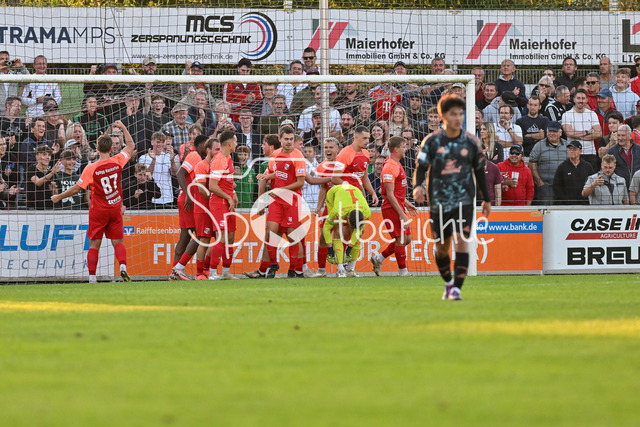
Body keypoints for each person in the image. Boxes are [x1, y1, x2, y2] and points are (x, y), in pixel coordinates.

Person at [413, 94, 491, 301]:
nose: (458, 118)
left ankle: (457, 288)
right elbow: (421, 167)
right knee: (442, 247)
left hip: (464, 200)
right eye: (453, 114)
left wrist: (486, 198)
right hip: (439, 201)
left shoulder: (472, 142)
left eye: (460, 114)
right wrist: (418, 186)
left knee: (462, 241)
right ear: (443, 116)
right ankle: (448, 282)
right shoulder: (431, 141)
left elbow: (479, 172)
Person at [50, 121, 136, 283]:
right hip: (115, 208)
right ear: (110, 149)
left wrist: (58, 196)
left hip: (98, 210)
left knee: (94, 244)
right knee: (118, 242)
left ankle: (92, 278)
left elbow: (77, 189)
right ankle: (123, 267)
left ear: (97, 148)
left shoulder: (91, 168)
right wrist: (124, 128)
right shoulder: (118, 160)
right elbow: (131, 146)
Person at [255, 125, 306, 278]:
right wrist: (262, 200)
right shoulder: (276, 154)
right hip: (276, 201)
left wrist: (281, 190)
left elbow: (300, 182)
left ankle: (294, 270)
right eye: (286, 139)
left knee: (293, 236)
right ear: (280, 139)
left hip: (292, 201)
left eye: (291, 139)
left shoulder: (298, 156)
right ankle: (273, 264)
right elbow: (273, 173)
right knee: (270, 233)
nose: (289, 142)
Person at [370, 136, 417, 277]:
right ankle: (403, 272)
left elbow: (389, 191)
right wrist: (401, 213)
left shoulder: (396, 164)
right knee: (401, 239)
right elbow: (389, 194)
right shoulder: (390, 166)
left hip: (398, 205)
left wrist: (406, 204)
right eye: (403, 146)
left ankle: (378, 258)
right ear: (396, 149)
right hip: (391, 208)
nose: (406, 149)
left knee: (406, 239)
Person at [169, 134, 210, 280]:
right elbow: (180, 173)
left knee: (185, 237)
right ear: (201, 146)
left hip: (189, 199)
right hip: (189, 200)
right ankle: (178, 269)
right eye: (207, 146)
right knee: (200, 236)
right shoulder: (194, 156)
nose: (209, 149)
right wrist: (188, 194)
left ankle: (174, 272)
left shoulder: (198, 157)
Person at [207, 131, 239, 280]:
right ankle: (212, 272)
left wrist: (233, 193)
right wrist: (227, 197)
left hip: (228, 202)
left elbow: (228, 180)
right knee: (222, 237)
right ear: (229, 143)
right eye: (235, 141)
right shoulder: (219, 160)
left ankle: (226, 272)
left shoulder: (229, 158)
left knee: (230, 238)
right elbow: (212, 186)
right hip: (219, 203)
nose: (237, 144)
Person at [322, 182, 371, 277]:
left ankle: (351, 270)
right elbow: (326, 227)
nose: (351, 229)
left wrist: (350, 247)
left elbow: (358, 230)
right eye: (351, 226)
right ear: (347, 218)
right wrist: (330, 249)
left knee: (359, 234)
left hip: (353, 193)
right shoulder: (337, 212)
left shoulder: (366, 212)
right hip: (333, 194)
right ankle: (340, 268)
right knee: (338, 232)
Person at [190, 136, 216, 280]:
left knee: (222, 240)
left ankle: (206, 268)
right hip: (203, 208)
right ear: (208, 150)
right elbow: (201, 188)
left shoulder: (219, 164)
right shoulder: (201, 165)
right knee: (204, 240)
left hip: (216, 208)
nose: (219, 152)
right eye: (216, 149)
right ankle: (199, 273)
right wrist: (215, 197)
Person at [332, 125, 379, 206]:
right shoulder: (345, 153)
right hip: (344, 195)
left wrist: (373, 193)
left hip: (357, 194)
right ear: (356, 138)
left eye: (368, 138)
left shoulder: (366, 153)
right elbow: (335, 178)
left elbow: (364, 177)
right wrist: (352, 189)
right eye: (364, 138)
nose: (367, 141)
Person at [314, 137, 340, 277]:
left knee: (340, 237)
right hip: (329, 208)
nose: (328, 150)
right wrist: (319, 207)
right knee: (323, 238)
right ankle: (321, 270)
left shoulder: (343, 165)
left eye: (331, 147)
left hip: (343, 207)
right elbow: (323, 188)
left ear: (338, 149)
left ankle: (342, 268)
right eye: (326, 147)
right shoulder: (321, 167)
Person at [528, 121, 568, 204]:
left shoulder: (567, 145)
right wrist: (540, 183)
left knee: (563, 208)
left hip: (563, 185)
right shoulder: (539, 145)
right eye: (550, 131)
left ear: (560, 133)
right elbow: (532, 164)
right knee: (546, 209)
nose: (551, 134)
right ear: (546, 132)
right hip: (545, 185)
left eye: (554, 131)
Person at [561, 89, 602, 170]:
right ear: (574, 99)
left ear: (586, 100)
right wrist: (587, 132)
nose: (581, 101)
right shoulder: (567, 115)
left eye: (583, 98)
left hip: (589, 153)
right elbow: (569, 133)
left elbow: (598, 134)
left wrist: (579, 136)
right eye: (578, 98)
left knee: (591, 177)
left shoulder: (592, 114)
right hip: (573, 154)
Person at [138, 131, 178, 209]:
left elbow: (174, 173)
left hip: (168, 197)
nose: (160, 145)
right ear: (152, 142)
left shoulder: (168, 156)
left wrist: (172, 160)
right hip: (152, 198)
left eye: (163, 142)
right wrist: (154, 160)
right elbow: (146, 175)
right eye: (158, 142)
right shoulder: (144, 158)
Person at [553, 140, 593, 205]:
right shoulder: (562, 167)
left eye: (574, 149)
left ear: (580, 151)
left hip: (584, 203)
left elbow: (592, 184)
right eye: (570, 149)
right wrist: (565, 200)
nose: (571, 151)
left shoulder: (587, 166)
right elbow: (556, 186)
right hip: (567, 204)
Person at [223, 58, 262, 122]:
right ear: (238, 69)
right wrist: (243, 102)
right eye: (243, 70)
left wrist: (252, 101)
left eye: (247, 71)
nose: (245, 73)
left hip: (251, 121)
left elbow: (260, 103)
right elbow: (226, 105)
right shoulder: (230, 83)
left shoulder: (255, 84)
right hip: (234, 121)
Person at [606, 124, 640, 189]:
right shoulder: (612, 151)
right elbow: (606, 169)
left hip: (637, 187)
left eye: (623, 135)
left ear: (630, 136)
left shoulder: (638, 149)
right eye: (618, 135)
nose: (620, 138)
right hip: (619, 187)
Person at [26, 144, 58, 210]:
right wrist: (52, 173)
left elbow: (56, 194)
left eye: (49, 155)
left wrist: (54, 190)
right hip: (34, 208)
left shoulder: (52, 172)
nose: (48, 157)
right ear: (37, 156)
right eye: (44, 155)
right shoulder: (31, 168)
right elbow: (38, 182)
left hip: (49, 207)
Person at [0, 51, 29, 115]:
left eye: (7, 59)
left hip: (12, 112)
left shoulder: (14, 75)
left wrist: (22, 67)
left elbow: (28, 80)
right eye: (2, 59)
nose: (4, 61)